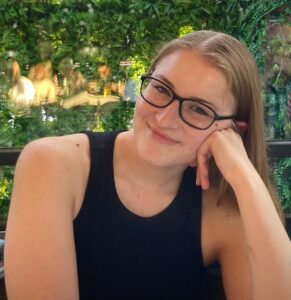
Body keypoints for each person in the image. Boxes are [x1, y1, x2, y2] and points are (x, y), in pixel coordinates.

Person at [4, 30, 291, 300]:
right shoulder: (52, 166)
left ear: (232, 132)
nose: (164, 119)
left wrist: (246, 178)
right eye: (161, 89)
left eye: (199, 109)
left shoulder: (221, 207)